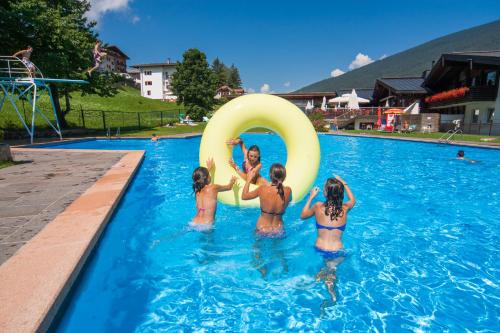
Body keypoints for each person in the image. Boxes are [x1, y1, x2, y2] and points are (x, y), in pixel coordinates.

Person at [300, 175, 355, 301]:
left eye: (324, 188)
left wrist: (311, 197)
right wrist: (343, 182)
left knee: (326, 269)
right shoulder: (345, 209)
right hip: (337, 250)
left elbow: (303, 215)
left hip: (320, 248)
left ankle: (320, 281)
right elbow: (353, 200)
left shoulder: (318, 206)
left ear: (326, 193)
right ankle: (331, 292)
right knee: (331, 270)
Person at [242, 163, 292, 236]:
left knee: (256, 247)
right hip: (278, 229)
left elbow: (244, 196)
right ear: (284, 177)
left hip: (262, 228)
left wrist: (248, 179)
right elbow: (289, 200)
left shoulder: (263, 189)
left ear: (270, 175)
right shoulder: (288, 191)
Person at [192, 158, 237, 227]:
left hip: (194, 222)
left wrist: (208, 169)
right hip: (206, 224)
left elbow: (202, 179)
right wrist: (232, 181)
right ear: (207, 178)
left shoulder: (197, 190)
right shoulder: (213, 188)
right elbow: (229, 187)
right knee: (208, 238)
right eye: (209, 175)